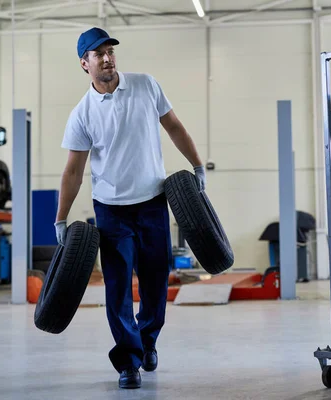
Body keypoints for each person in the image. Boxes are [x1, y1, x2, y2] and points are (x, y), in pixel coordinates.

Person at [53, 27, 206, 389]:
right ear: (84, 64)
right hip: (111, 211)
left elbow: (174, 127)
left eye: (110, 51)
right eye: (98, 53)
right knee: (118, 287)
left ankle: (148, 340)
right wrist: (61, 217)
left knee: (155, 282)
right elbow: (73, 170)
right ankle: (128, 361)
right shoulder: (82, 114)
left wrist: (197, 165)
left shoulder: (146, 86)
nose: (107, 58)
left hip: (153, 202)